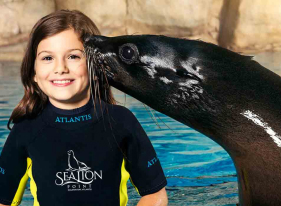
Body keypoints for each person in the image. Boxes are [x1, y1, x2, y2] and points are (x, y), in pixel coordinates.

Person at [0, 10, 168, 206]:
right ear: (33, 73)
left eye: (73, 56)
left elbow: (156, 195)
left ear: (96, 68)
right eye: (47, 58)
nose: (60, 68)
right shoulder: (25, 129)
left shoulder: (121, 122)